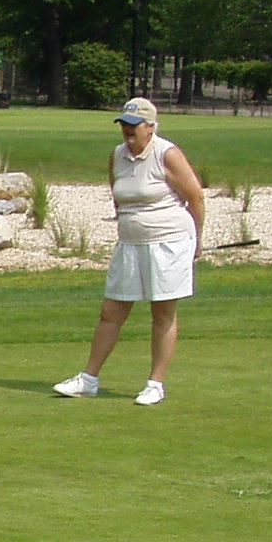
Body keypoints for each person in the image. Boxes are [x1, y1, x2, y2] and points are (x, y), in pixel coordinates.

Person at [55, 98, 206, 407]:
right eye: (123, 123)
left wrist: (197, 242)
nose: (127, 129)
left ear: (150, 127)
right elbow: (119, 198)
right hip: (130, 244)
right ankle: (89, 379)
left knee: (162, 313)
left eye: (133, 125)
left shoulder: (168, 154)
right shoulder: (117, 156)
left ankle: (155, 384)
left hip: (169, 243)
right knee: (111, 311)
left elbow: (196, 198)